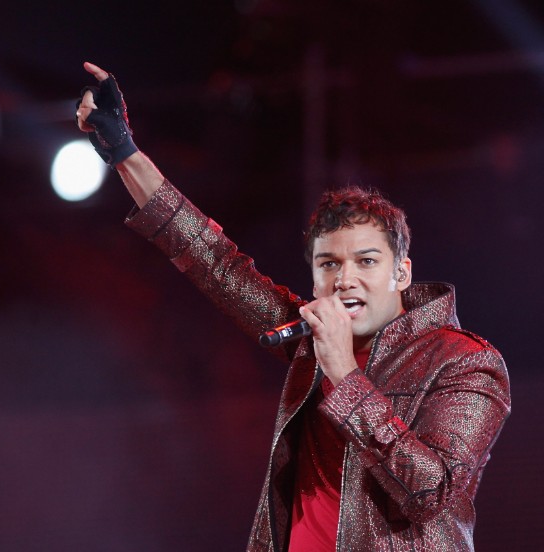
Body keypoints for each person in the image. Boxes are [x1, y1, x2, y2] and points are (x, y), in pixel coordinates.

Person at [75, 61, 511, 552]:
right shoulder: (310, 343)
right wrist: (124, 152)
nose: (344, 278)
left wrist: (346, 374)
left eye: (366, 261)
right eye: (328, 264)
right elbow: (214, 262)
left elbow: (428, 492)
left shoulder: (465, 361)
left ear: (401, 273)